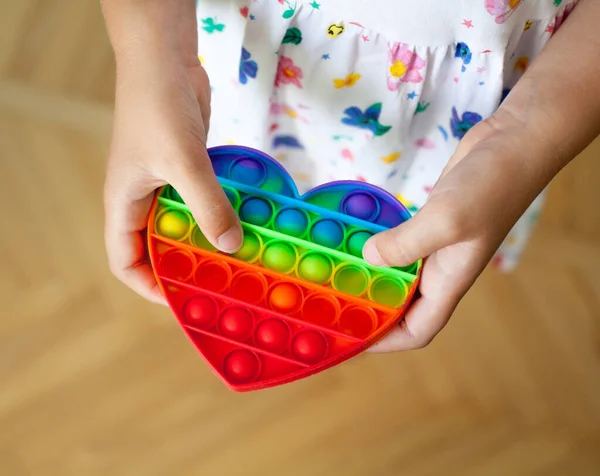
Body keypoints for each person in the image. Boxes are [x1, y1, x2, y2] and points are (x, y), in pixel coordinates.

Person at [101, 0, 599, 352]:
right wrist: (154, 56)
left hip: (468, 111)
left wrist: (523, 138)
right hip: (246, 59)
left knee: (428, 227)